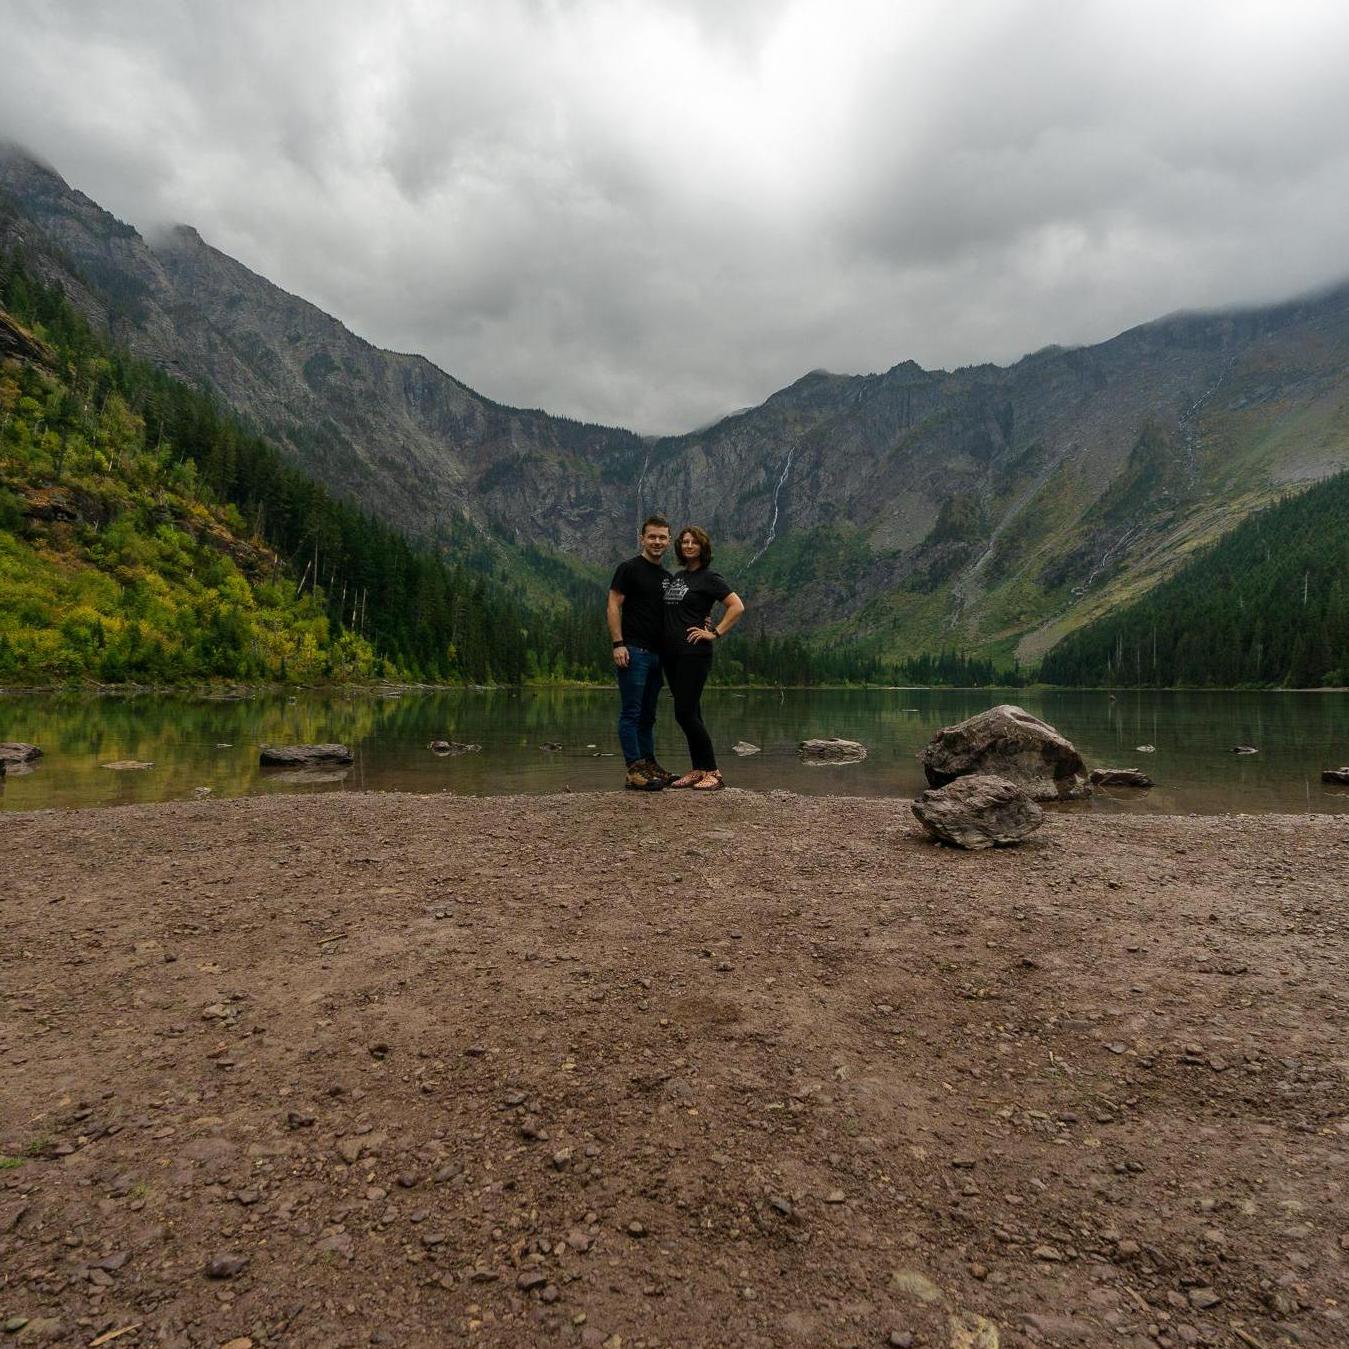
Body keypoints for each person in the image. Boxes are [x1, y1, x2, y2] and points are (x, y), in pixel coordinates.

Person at [661, 525, 745, 790]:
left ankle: (714, 772)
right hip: (672, 654)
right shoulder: (678, 577)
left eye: (693, 542)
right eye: (684, 542)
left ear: (702, 547)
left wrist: (714, 632)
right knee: (691, 711)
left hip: (694, 653)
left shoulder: (710, 578)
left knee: (684, 712)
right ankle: (698, 769)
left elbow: (737, 606)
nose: (688, 546)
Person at [607, 515, 679, 791]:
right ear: (642, 538)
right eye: (652, 536)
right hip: (633, 651)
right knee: (632, 712)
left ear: (668, 541)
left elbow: (676, 615)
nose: (657, 542)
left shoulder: (667, 578)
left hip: (657, 656)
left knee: (648, 713)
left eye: (662, 537)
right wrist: (618, 643)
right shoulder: (628, 569)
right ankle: (634, 770)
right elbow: (613, 605)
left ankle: (649, 764)